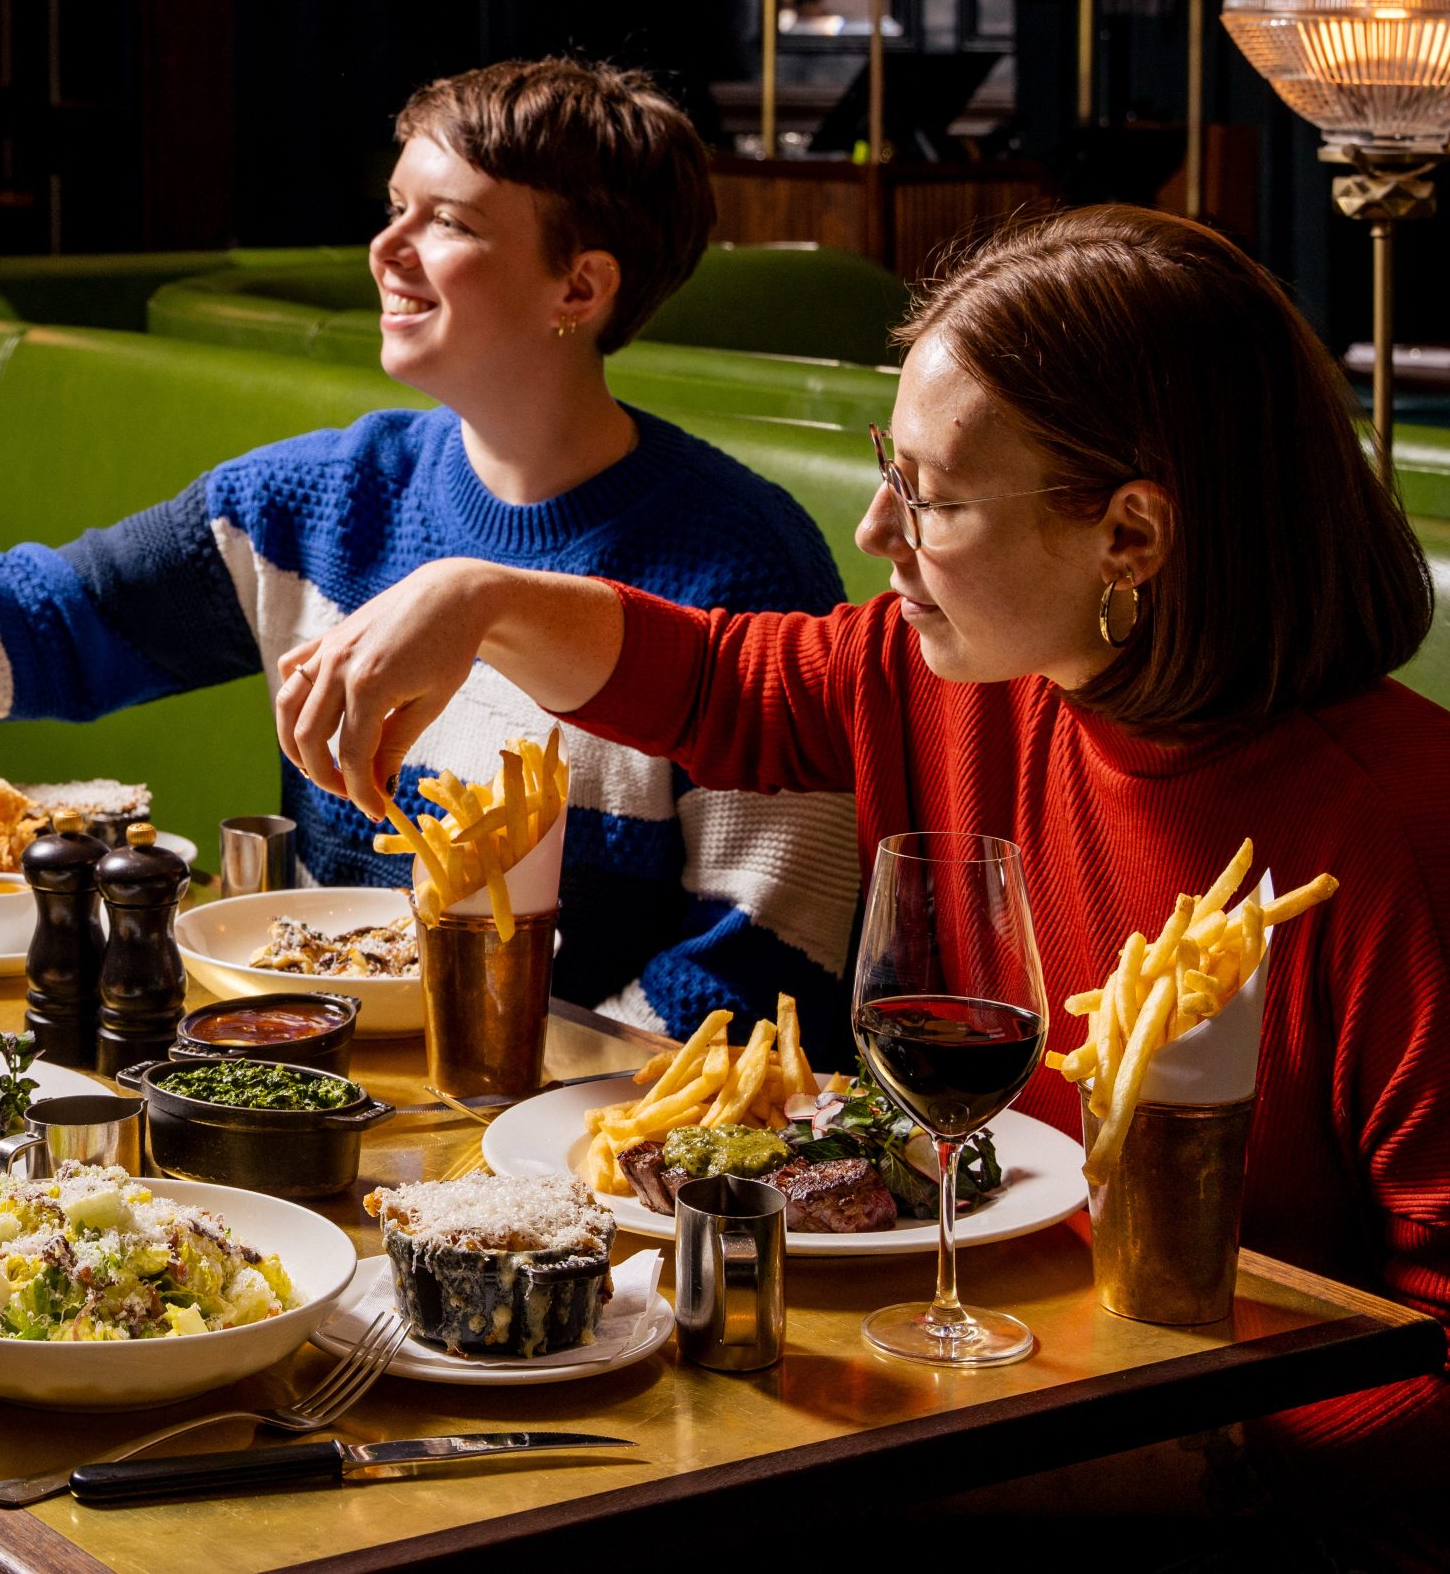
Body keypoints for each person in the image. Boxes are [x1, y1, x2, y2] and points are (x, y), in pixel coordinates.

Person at [268, 204, 1447, 1555]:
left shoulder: (1405, 834)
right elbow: (718, 681)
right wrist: (476, 594)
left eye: (936, 494)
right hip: (991, 1391)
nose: (880, 523)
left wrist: (1186, 1465)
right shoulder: (956, 669)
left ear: (1130, 536)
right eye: (892, 463)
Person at [0, 56, 864, 1048]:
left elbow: (775, 948)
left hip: (576, 1125)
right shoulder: (319, 499)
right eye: (394, 210)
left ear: (580, 289)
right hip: (311, 1062)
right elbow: (45, 629)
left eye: (445, 225)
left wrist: (543, 1119)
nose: (386, 252)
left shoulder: (740, 561)